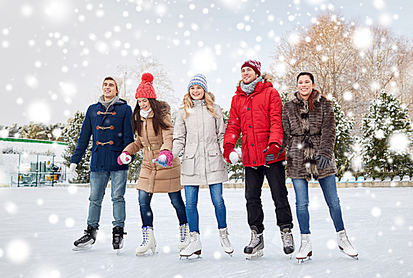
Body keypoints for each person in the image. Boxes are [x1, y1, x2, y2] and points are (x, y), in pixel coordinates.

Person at [282, 72, 358, 263]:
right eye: (300, 82)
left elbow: (330, 129)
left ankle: (343, 238)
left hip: (320, 153)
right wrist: (276, 149)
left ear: (313, 84)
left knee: (333, 201)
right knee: (301, 203)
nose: (303, 85)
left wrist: (325, 152)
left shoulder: (324, 104)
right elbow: (284, 134)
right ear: (297, 86)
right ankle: (305, 242)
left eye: (307, 82)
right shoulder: (288, 107)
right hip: (298, 155)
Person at [223, 59, 294, 259]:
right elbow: (233, 125)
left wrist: (274, 145)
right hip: (250, 156)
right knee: (251, 198)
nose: (245, 73)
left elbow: (276, 121)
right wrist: (228, 146)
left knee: (279, 195)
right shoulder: (237, 98)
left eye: (249, 70)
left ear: (257, 73)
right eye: (243, 70)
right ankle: (257, 235)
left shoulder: (271, 93)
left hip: (272, 154)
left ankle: (286, 231)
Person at [118, 73, 189, 256]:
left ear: (151, 99)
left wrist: (166, 152)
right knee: (143, 200)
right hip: (148, 164)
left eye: (145, 100)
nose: (142, 104)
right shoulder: (138, 118)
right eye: (139, 100)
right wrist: (127, 152)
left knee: (176, 200)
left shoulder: (162, 116)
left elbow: (168, 137)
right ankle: (148, 238)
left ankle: (185, 232)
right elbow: (140, 143)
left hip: (167, 163)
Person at [70, 76, 134, 252]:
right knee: (94, 199)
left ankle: (118, 232)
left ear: (117, 90)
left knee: (117, 197)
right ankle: (90, 233)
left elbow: (129, 137)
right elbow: (84, 137)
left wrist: (128, 155)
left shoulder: (125, 109)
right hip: (98, 161)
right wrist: (75, 160)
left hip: (118, 161)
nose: (107, 87)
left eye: (111, 85)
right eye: (105, 85)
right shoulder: (92, 110)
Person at [172, 74, 234, 258]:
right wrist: (170, 154)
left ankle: (224, 235)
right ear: (188, 91)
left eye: (198, 88)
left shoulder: (214, 109)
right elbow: (178, 139)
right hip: (191, 162)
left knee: (218, 201)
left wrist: (228, 151)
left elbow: (222, 135)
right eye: (192, 88)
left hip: (213, 160)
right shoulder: (183, 111)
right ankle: (194, 240)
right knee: (190, 203)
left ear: (204, 90)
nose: (195, 91)